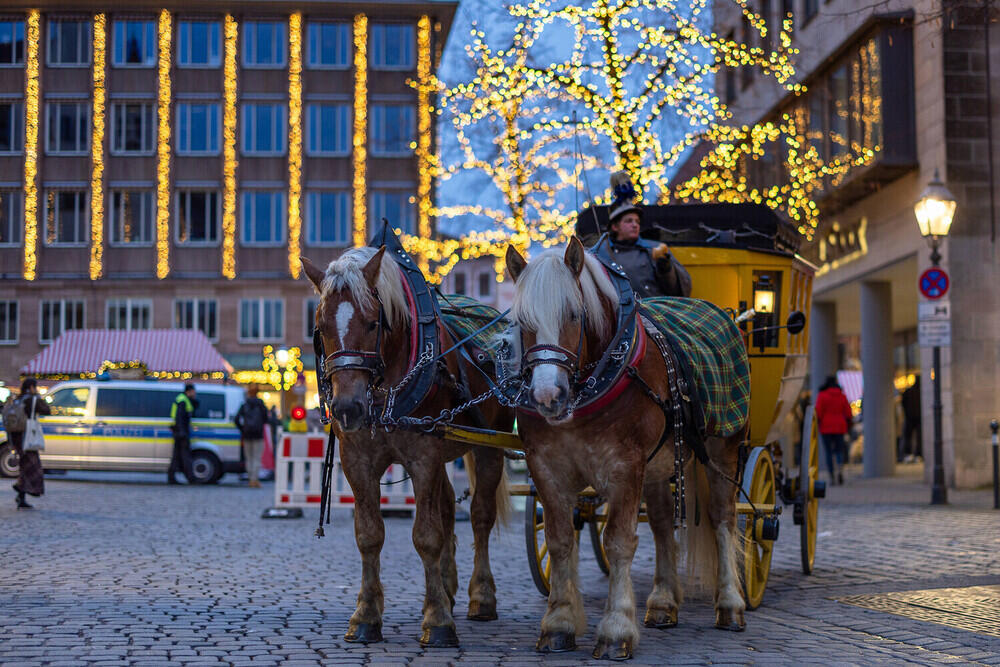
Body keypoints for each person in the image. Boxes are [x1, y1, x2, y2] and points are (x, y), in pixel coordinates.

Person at [606, 171, 692, 299]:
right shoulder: (604, 255)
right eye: (629, 221)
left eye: (637, 221)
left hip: (654, 314)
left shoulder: (655, 248)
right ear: (615, 226)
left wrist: (666, 269)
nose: (635, 225)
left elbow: (677, 291)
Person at [8, 378, 50, 509]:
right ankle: (21, 488)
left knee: (24, 466)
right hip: (28, 437)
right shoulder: (32, 400)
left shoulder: (18, 399)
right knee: (33, 467)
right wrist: (37, 396)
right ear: (32, 387)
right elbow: (46, 410)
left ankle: (21, 496)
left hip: (17, 438)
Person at [815, 375, 852, 485]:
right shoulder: (842, 396)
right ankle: (839, 470)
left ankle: (831, 475)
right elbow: (848, 413)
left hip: (826, 427)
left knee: (828, 452)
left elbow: (818, 412)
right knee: (839, 450)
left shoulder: (822, 396)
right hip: (840, 426)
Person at [234, 386, 269, 487]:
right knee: (257, 458)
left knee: (249, 458)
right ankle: (255, 479)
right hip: (258, 434)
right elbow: (266, 419)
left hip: (247, 435)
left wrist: (242, 429)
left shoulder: (244, 405)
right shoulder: (261, 405)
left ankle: (250, 479)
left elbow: (236, 419)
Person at [168, 383, 197, 484]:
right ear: (189, 391)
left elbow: (195, 407)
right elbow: (179, 418)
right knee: (185, 456)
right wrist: (182, 432)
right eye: (193, 391)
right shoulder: (183, 401)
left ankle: (171, 477)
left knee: (177, 456)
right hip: (181, 432)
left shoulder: (184, 399)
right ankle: (191, 478)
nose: (195, 393)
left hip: (179, 432)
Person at [900, 377, 922, 462]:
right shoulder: (919, 392)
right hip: (915, 417)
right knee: (916, 436)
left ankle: (909, 454)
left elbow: (903, 402)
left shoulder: (909, 391)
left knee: (909, 436)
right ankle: (916, 454)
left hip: (910, 417)